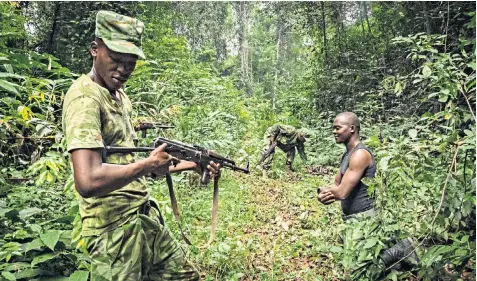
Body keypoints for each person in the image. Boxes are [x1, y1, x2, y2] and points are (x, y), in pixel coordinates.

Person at [62, 11, 220, 281]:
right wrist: (148, 164)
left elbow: (131, 168)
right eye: (116, 59)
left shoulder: (120, 97)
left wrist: (193, 164)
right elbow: (87, 181)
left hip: (144, 218)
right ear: (94, 50)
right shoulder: (85, 97)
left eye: (131, 61)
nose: (123, 69)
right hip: (113, 235)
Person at [317, 112, 418, 279]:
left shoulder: (360, 154)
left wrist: (329, 193)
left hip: (364, 219)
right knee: (348, 265)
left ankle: (398, 251)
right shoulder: (347, 154)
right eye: (333, 128)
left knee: (357, 276)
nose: (334, 132)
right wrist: (322, 193)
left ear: (352, 129)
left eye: (337, 128)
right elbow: (336, 184)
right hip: (350, 219)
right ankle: (391, 254)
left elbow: (342, 192)